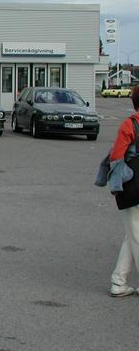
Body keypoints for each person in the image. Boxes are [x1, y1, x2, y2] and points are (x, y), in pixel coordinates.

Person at [98, 86, 139, 297]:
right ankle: (118, 281)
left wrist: (116, 185)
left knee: (134, 234)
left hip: (133, 187)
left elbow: (116, 157)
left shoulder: (131, 124)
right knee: (132, 235)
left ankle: (118, 282)